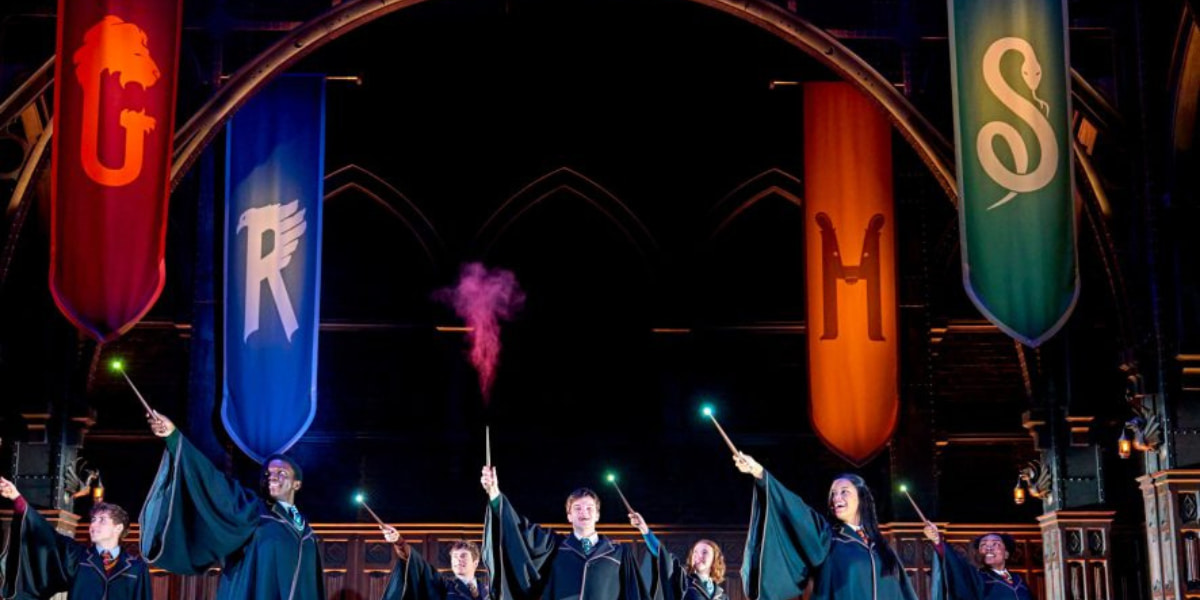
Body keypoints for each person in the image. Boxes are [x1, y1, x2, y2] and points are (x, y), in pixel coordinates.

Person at [138, 413, 324, 600]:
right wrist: (173, 437)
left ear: (296, 484)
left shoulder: (306, 532)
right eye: (267, 473)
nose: (272, 476)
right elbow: (213, 482)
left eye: (281, 472)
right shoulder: (252, 512)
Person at [734, 453, 918, 600]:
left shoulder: (882, 548)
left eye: (844, 492)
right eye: (833, 494)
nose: (836, 498)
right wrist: (759, 473)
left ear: (861, 498)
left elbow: (905, 592)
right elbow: (796, 511)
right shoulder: (828, 537)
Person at [480, 465, 649, 600]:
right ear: (569, 516)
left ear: (597, 515)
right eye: (578, 508)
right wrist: (495, 494)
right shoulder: (554, 547)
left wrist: (646, 532)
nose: (584, 512)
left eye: (590, 508)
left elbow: (634, 594)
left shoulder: (619, 553)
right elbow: (518, 531)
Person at [0, 476, 152, 599]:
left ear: (118, 528)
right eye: (93, 520)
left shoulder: (136, 568)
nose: (93, 525)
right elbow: (46, 535)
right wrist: (17, 499)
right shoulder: (77, 557)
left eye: (102, 520)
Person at [629, 512, 727, 600]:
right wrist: (644, 529)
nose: (698, 556)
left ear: (714, 559)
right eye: (695, 552)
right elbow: (664, 557)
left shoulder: (721, 596)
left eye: (704, 552)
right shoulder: (683, 582)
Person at [923, 524, 1033, 600]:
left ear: (1006, 554)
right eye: (983, 545)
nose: (989, 548)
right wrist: (937, 541)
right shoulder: (977, 578)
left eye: (995, 544)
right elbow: (956, 568)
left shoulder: (1019, 580)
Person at [379, 529, 491, 600]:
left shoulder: (490, 591)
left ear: (475, 562)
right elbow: (420, 567)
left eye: (463, 556)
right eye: (455, 557)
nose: (457, 560)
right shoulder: (443, 586)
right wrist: (399, 542)